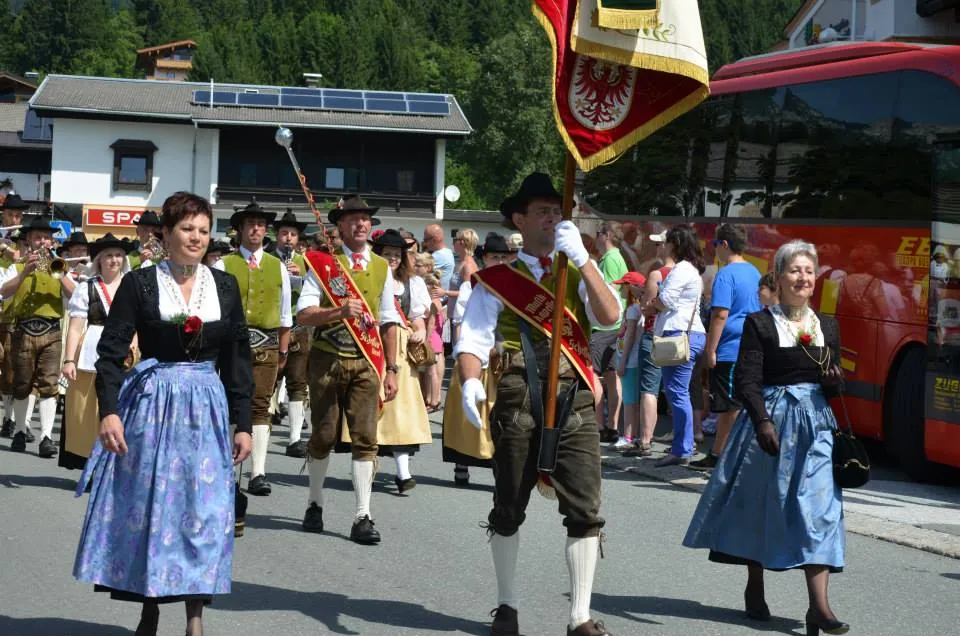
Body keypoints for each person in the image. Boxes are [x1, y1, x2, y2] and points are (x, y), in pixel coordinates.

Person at [73, 191, 254, 636]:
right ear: (166, 234)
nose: (196, 238)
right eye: (187, 229)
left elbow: (237, 358)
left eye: (203, 230)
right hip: (153, 407)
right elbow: (111, 352)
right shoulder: (141, 284)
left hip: (207, 409)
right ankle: (150, 606)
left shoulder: (225, 286)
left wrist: (244, 422)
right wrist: (110, 413)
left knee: (205, 512)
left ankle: (195, 617)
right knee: (155, 509)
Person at [457, 173, 621, 636]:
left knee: (585, 508)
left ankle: (580, 617)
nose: (553, 220)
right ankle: (507, 606)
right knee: (509, 505)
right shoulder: (498, 280)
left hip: (576, 393)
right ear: (520, 219)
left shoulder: (577, 267)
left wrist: (585, 261)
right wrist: (471, 381)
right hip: (516, 393)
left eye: (558, 212)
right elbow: (473, 338)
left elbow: (610, 317)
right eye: (544, 212)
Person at [683, 240, 848, 636]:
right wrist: (761, 421)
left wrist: (834, 380)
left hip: (816, 427)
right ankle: (754, 582)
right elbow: (748, 380)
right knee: (761, 505)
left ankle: (819, 608)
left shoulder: (826, 325)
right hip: (770, 420)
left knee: (820, 510)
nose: (803, 278)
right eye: (795, 270)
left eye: (809, 271)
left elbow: (835, 382)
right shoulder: (760, 323)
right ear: (778, 276)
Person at [296, 195, 401, 545]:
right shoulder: (324, 266)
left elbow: (388, 321)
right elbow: (304, 315)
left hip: (367, 362)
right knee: (323, 435)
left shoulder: (382, 268)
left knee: (365, 438)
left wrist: (393, 369)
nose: (360, 224)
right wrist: (338, 312)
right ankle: (315, 502)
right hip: (327, 357)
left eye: (365, 219)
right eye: (353, 219)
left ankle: (362, 515)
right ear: (339, 226)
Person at [217, 201, 291, 496]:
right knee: (232, 403)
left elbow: (286, 314)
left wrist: (283, 351)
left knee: (261, 405)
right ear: (239, 230)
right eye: (250, 224)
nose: (256, 229)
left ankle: (258, 472)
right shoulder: (224, 264)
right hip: (232, 344)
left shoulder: (278, 267)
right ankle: (229, 467)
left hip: (267, 345)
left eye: (260, 224)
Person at [442, 232, 515, 486]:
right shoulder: (471, 285)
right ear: (484, 259)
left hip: (504, 360)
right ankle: (462, 463)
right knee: (469, 414)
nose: (500, 261)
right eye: (495, 257)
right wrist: (463, 354)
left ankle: (500, 469)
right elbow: (462, 323)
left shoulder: (517, 286)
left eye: (505, 257)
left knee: (500, 416)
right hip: (478, 359)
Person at [1, 215, 76, 458]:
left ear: (52, 241)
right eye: (37, 237)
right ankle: (21, 431)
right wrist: (25, 273)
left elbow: (75, 295)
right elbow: (3, 292)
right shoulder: (17, 266)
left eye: (46, 238)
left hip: (52, 330)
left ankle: (46, 437)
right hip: (23, 330)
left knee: (49, 383)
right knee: (22, 383)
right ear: (30, 240)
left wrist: (58, 271)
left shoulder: (60, 265)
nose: (42, 241)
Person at [59, 234, 134, 470]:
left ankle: (118, 463)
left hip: (127, 352)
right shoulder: (86, 288)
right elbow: (75, 328)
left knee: (122, 409)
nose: (114, 260)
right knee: (90, 412)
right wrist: (69, 360)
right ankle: (92, 463)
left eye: (119, 255)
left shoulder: (133, 286)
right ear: (99, 260)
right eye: (109, 255)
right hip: (92, 351)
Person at [365, 229, 432, 493]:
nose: (392, 258)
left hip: (401, 349)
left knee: (400, 411)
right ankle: (366, 466)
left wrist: (421, 331)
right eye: (387, 254)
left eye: (396, 254)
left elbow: (417, 316)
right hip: (371, 344)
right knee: (371, 406)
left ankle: (403, 473)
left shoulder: (411, 283)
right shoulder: (369, 278)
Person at [692, 225, 762, 471]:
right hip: (751, 345)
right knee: (736, 404)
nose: (714, 250)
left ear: (724, 245)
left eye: (715, 245)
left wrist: (711, 350)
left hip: (731, 348)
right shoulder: (754, 272)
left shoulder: (726, 274)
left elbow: (720, 314)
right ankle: (721, 453)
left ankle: (721, 456)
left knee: (729, 406)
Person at [652, 225, 707, 468]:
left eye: (666, 242)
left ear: (675, 244)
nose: (663, 246)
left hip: (679, 332)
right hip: (688, 332)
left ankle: (682, 448)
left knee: (676, 391)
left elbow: (666, 300)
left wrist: (652, 304)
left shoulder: (682, 269)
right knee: (678, 391)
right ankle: (683, 445)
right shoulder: (691, 269)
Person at [269, 210, 311, 459]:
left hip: (299, 327)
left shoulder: (306, 262)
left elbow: (316, 292)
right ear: (277, 235)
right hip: (272, 327)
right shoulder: (266, 259)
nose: (288, 238)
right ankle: (259, 428)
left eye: (293, 234)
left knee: (298, 383)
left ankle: (295, 437)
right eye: (284, 233)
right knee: (268, 380)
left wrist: (302, 278)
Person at [593, 222, 628, 443]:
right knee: (612, 375)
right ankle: (612, 425)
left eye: (598, 233)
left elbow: (607, 292)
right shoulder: (618, 258)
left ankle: (598, 424)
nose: (596, 238)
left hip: (604, 326)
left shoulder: (610, 259)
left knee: (593, 375)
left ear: (606, 235)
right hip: (617, 326)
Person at [0, 194, 29, 439]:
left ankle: (8, 418)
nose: (15, 219)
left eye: (19, 215)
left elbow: (21, 262)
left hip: (10, 314)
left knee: (10, 371)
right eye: (11, 214)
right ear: (3, 214)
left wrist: (10, 250)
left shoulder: (20, 239)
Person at [613, 272, 646, 452]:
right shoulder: (634, 309)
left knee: (629, 400)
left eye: (623, 285)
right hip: (629, 359)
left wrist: (623, 361)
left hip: (630, 360)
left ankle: (628, 436)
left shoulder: (633, 310)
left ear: (632, 287)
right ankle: (631, 434)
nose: (620, 288)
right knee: (631, 399)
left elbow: (631, 336)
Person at [448, 229, 480, 343]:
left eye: (455, 240)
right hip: (455, 316)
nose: (453, 243)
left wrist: (445, 293)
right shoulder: (461, 263)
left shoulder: (468, 266)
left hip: (462, 319)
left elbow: (469, 294)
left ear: (461, 242)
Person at [423, 223, 456, 293]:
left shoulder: (439, 256)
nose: (424, 244)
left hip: (435, 299)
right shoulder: (448, 251)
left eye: (426, 240)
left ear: (435, 239)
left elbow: (416, 274)